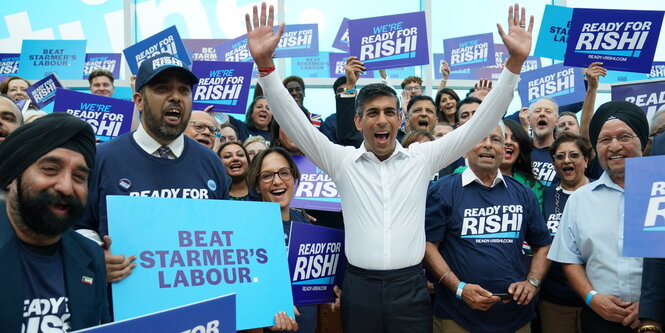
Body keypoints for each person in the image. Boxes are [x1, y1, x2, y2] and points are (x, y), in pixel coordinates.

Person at [244, 3, 534, 331]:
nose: (381, 120)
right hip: (360, 289)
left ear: (400, 118)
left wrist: (514, 64)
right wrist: (266, 66)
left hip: (410, 289)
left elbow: (478, 126)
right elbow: (295, 124)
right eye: (371, 113)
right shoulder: (342, 162)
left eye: (388, 112)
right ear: (358, 120)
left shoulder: (421, 158)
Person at [75, 53, 230, 284]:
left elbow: (225, 235)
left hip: (198, 308)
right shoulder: (100, 159)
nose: (176, 97)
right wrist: (95, 255)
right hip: (125, 304)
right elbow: (79, 226)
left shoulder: (211, 162)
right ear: (138, 100)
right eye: (162, 88)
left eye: (184, 90)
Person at [425, 123, 551, 333]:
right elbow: (428, 246)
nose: (488, 145)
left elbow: (543, 245)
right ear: (464, 148)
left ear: (503, 149)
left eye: (495, 140)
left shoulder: (523, 193)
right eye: (480, 138)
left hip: (515, 318)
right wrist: (459, 289)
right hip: (458, 316)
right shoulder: (443, 190)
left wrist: (533, 282)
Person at [0, 113, 110, 331]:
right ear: (13, 177)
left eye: (79, 177)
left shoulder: (91, 256)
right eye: (50, 169)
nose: (66, 187)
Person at [548, 101, 648, 332]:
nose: (614, 146)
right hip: (599, 318)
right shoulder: (579, 200)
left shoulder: (659, 191)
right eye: (604, 140)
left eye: (624, 137)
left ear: (643, 141)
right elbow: (569, 258)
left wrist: (653, 303)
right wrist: (592, 297)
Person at [247, 147, 316, 333]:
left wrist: (330, 291)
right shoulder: (248, 228)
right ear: (256, 184)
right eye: (267, 176)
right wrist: (269, 306)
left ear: (294, 178)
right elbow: (244, 290)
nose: (277, 181)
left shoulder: (304, 221)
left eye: (284, 173)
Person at [539, 132, 593, 333]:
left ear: (586, 160)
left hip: (598, 298)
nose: (566, 160)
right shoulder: (545, 194)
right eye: (560, 156)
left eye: (574, 155)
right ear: (553, 163)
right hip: (555, 300)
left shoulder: (601, 191)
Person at [501, 119, 543, 208]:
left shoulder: (533, 186)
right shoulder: (464, 174)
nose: (508, 142)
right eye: (503, 138)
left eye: (514, 139)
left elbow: (535, 220)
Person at [528, 97, 559, 187]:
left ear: (557, 120)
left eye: (548, 111)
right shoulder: (521, 152)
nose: (542, 114)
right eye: (537, 111)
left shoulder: (563, 153)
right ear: (529, 119)